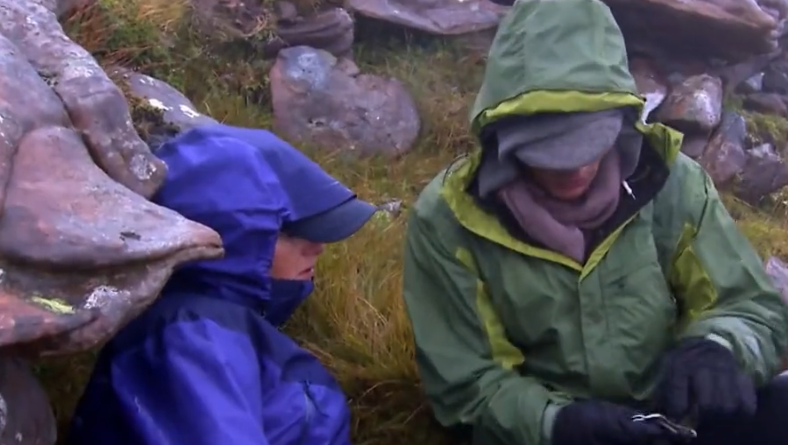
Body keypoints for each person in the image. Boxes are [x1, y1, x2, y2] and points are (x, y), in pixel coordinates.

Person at [402, 1, 788, 445]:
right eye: (549, 149)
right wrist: (558, 424)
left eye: (591, 140)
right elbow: (467, 384)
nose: (575, 167)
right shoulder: (449, 220)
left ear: (621, 121)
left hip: (681, 421)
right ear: (503, 137)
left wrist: (720, 347)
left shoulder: (671, 181)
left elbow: (749, 307)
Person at [67, 123, 376, 445]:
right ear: (233, 238)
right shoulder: (190, 330)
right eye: (288, 232)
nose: (317, 246)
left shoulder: (211, 327)